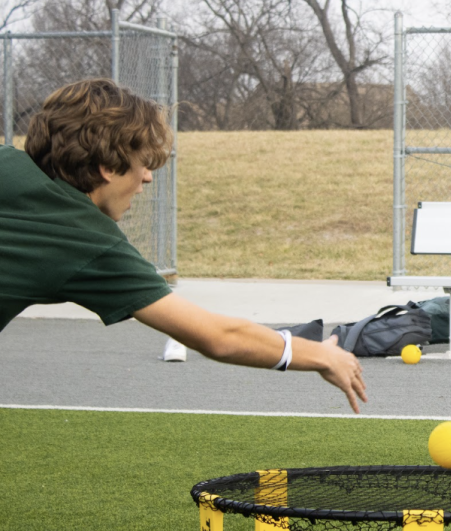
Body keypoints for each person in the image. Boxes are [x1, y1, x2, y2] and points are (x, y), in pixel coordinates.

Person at [0, 78, 367, 412]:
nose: (147, 177)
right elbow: (216, 336)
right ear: (106, 166)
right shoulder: (84, 238)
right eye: (142, 163)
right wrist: (318, 354)